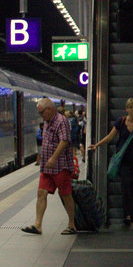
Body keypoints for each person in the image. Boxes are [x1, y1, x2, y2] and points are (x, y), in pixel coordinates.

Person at [22, 97, 78, 235]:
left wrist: (53, 158)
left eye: (42, 112)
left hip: (60, 165)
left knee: (65, 194)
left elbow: (64, 141)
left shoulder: (61, 121)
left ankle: (72, 225)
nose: (41, 116)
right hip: (47, 166)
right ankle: (38, 225)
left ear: (50, 109)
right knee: (41, 193)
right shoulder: (47, 121)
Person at [89, 98, 133, 225]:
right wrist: (97, 145)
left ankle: (132, 214)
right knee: (126, 186)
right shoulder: (120, 122)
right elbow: (110, 137)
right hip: (123, 161)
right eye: (130, 107)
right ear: (126, 109)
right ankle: (127, 215)